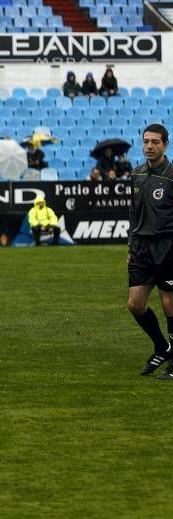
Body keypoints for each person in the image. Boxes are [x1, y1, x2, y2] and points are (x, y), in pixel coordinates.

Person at [126, 124, 173, 379]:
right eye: (146, 142)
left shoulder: (172, 175)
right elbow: (133, 213)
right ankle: (161, 347)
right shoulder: (136, 174)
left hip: (167, 247)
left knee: (169, 304)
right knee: (135, 304)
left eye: (155, 142)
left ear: (165, 144)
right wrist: (130, 246)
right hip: (141, 248)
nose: (149, 146)